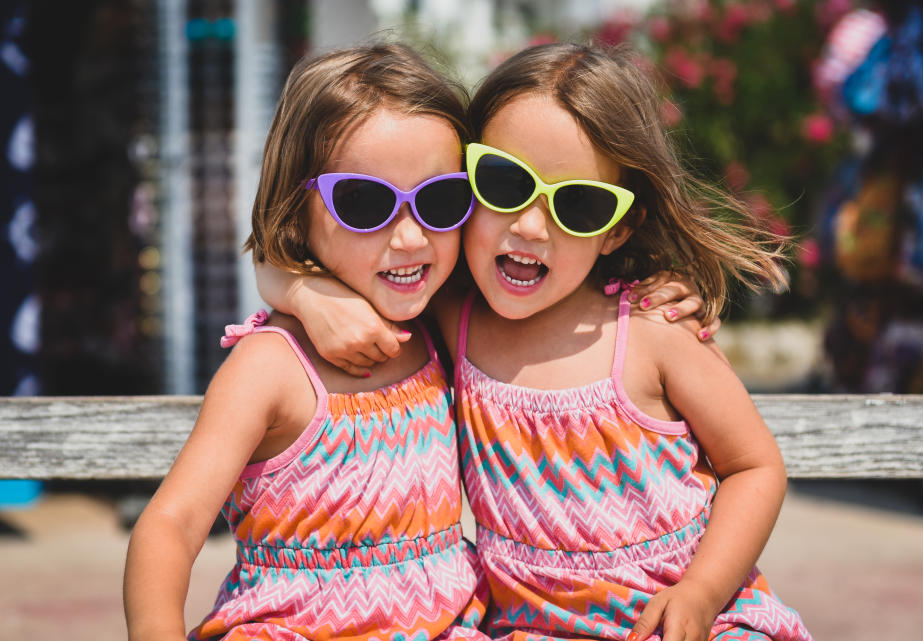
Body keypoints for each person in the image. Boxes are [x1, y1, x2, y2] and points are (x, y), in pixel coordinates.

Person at [259, 42, 812, 641]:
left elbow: (755, 466)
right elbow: (278, 253)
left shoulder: (653, 328)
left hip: (694, 618)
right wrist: (306, 296)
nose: (529, 225)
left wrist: (702, 593)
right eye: (503, 182)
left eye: (578, 203)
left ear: (618, 227)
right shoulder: (448, 316)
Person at [122, 43, 492, 641]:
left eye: (441, 199)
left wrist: (661, 285)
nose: (409, 236)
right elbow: (171, 523)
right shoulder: (271, 366)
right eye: (364, 202)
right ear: (297, 209)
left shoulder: (446, 327)